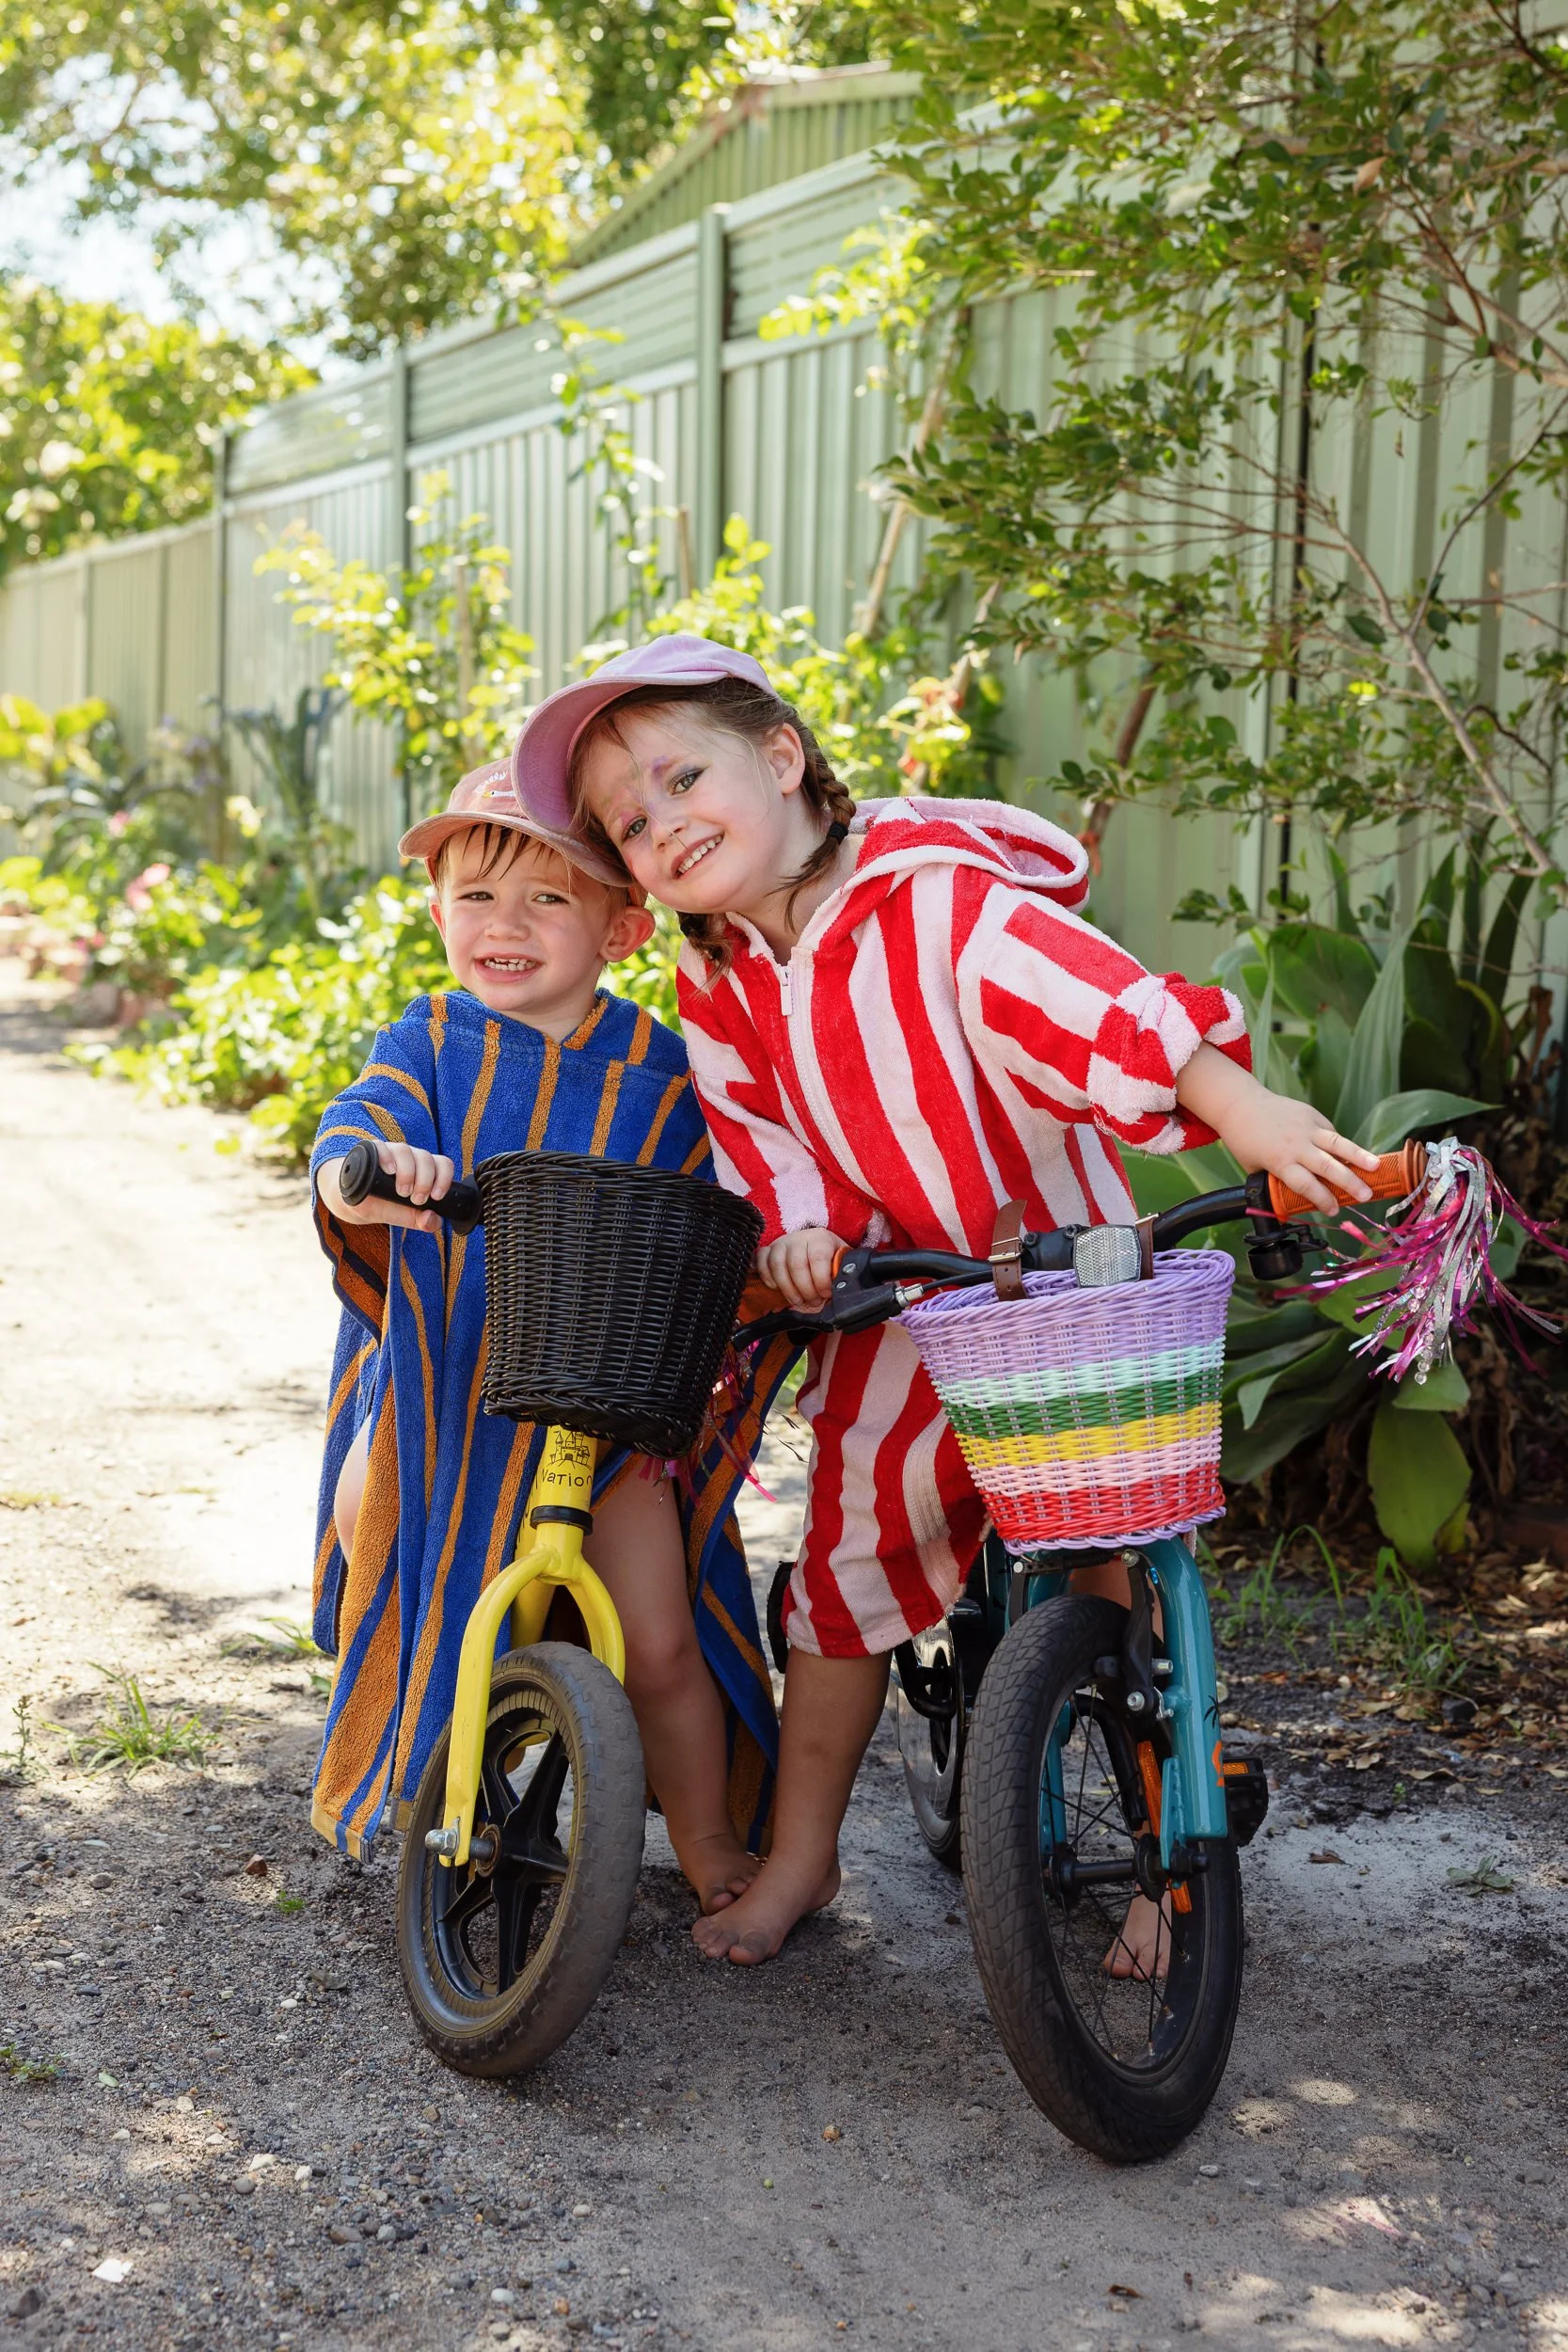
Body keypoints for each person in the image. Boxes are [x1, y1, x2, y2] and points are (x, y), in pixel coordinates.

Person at [504, 631, 1382, 1971]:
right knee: (842, 1576)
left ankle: (1174, 1856)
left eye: (684, 778)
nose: (663, 824)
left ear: (784, 757)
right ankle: (801, 1854)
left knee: (1112, 1550)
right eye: (630, 821)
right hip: (899, 1298)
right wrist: (795, 1231)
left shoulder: (936, 902)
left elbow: (1096, 1008)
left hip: (1059, 1277)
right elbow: (754, 1132)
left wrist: (1245, 1113)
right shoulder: (720, 980)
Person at [306, 754, 783, 1912]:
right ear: (436, 912)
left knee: (661, 1640)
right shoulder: (427, 1039)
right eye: (474, 896)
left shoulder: (668, 1075)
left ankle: (708, 1840)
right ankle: (427, 1772)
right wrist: (367, 1173)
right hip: (447, 1391)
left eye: (546, 898)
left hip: (599, 1415)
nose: (502, 926)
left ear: (621, 927)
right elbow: (353, 1130)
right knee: (385, 1529)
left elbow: (728, 1198)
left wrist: (769, 1255)